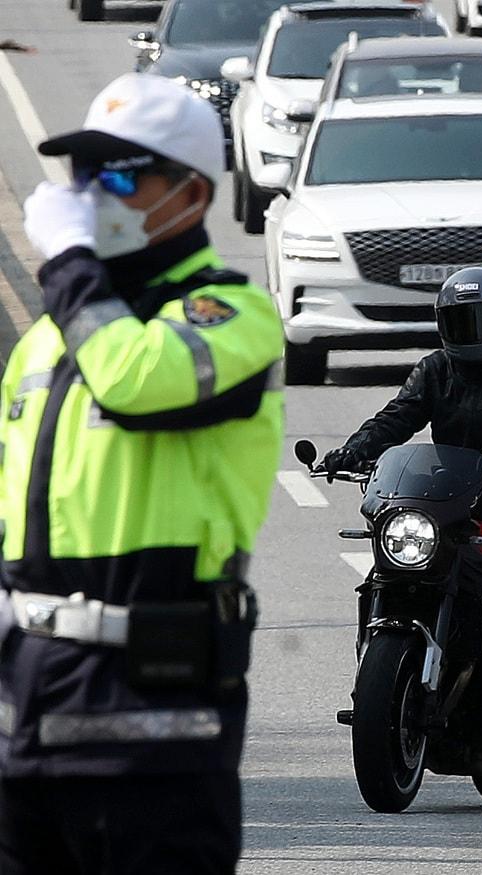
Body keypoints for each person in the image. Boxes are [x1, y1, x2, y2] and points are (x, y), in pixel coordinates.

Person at [0, 73, 284, 873]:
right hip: (26, 717)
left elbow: (135, 381)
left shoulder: (231, 315)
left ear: (189, 194)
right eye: (84, 175)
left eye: (121, 174)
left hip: (151, 728)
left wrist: (67, 264)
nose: (94, 194)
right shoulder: (49, 340)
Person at [322, 266, 482, 757]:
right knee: (390, 575)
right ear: (444, 325)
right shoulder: (435, 370)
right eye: (464, 321)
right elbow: (398, 415)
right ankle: (384, 680)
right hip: (451, 515)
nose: (477, 333)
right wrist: (354, 449)